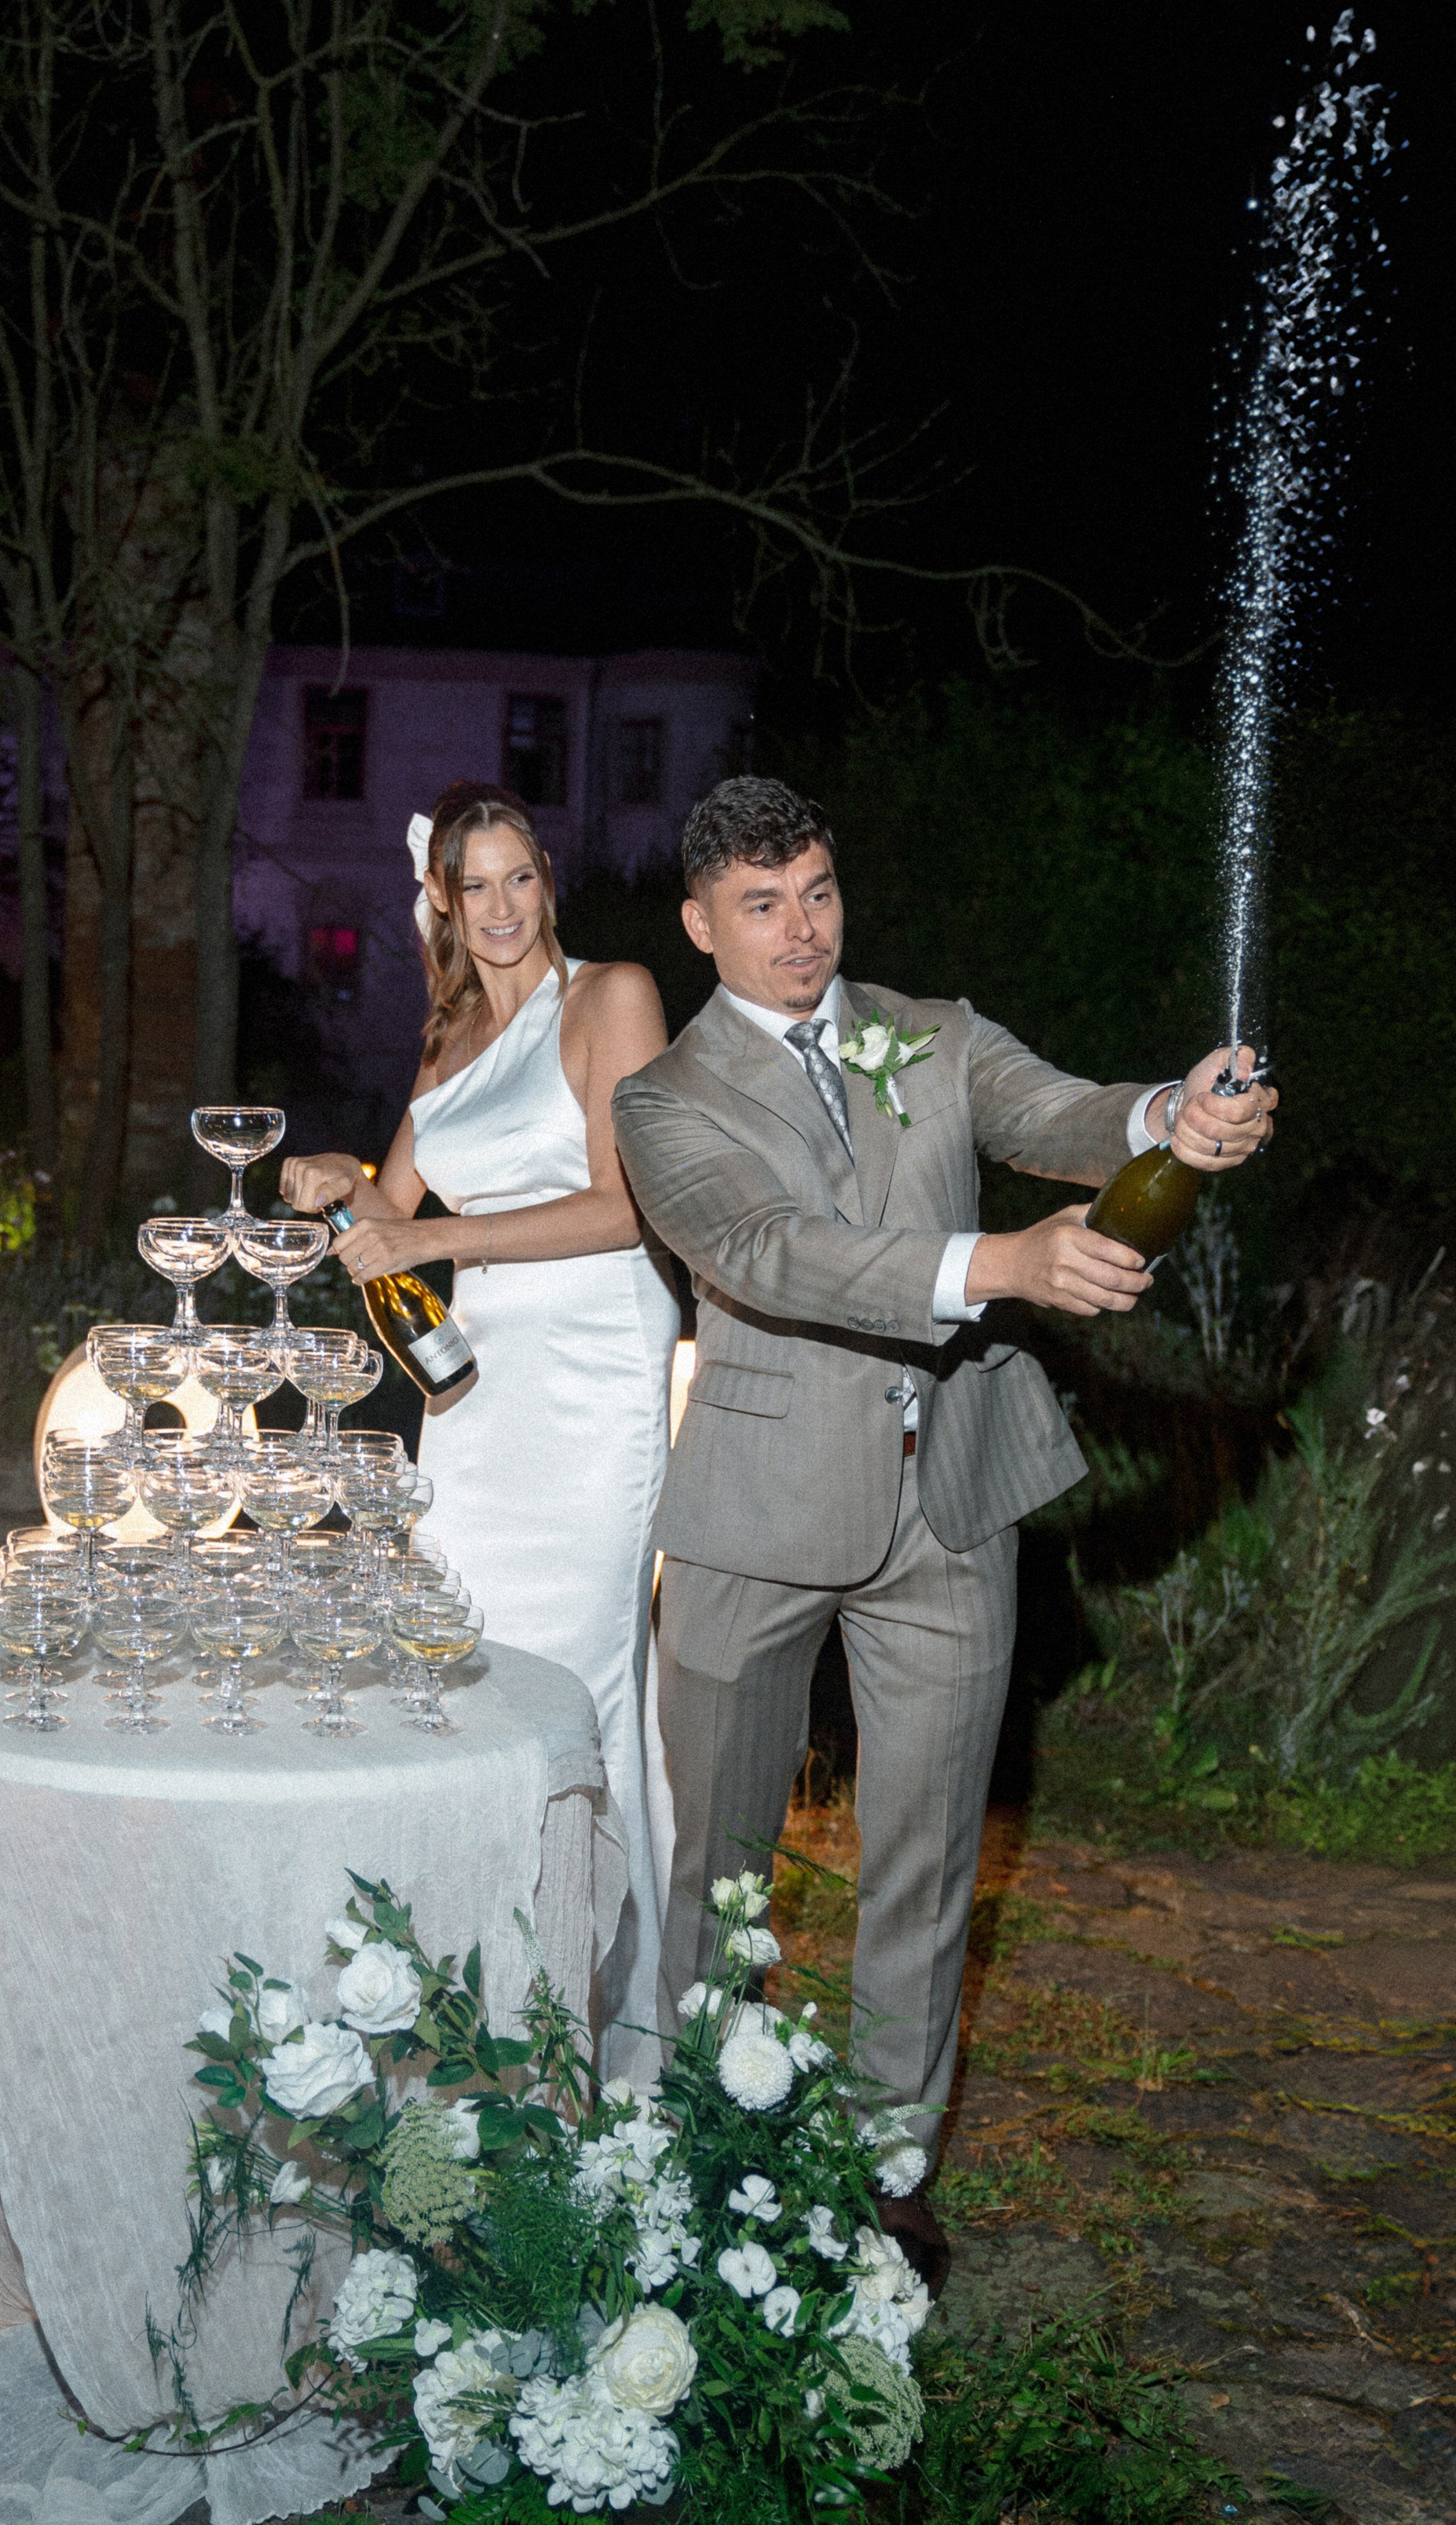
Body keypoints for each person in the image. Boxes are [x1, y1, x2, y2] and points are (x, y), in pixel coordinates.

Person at [608, 775, 1277, 2285]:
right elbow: (775, 1253)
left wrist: (1173, 1114)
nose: (803, 930)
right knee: (722, 1862)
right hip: (757, 1514)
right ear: (703, 924)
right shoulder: (662, 1102)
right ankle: (709, 2157)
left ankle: (886, 2177)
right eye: (764, 906)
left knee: (926, 1863)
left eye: (820, 893)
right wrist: (1007, 1264)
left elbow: (1063, 1115)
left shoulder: (934, 1030)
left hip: (952, 1508)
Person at [280, 781, 681, 2065]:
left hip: (593, 1365)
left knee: (582, 1672)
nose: (502, 907)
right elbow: (380, 1208)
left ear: (547, 882)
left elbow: (626, 1208)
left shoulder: (609, 998)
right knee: (472, 1659)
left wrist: (429, 1235)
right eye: (475, 886)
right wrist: (333, 1183)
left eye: (521, 879)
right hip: (476, 1387)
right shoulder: (444, 1046)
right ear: (440, 904)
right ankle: (486, 1977)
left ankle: (618, 1998)